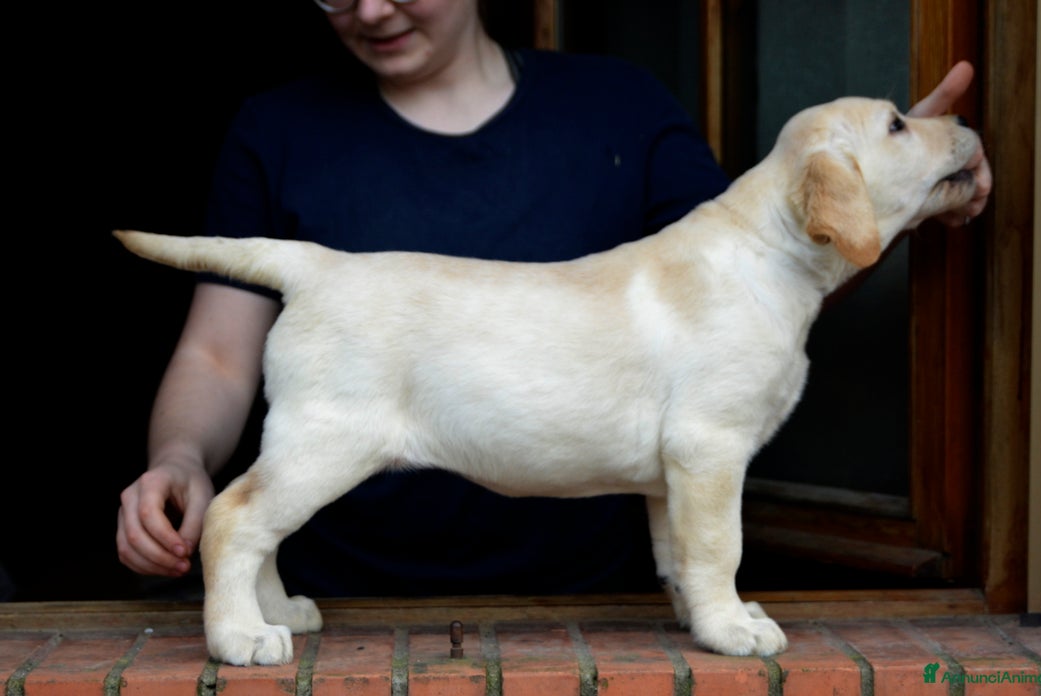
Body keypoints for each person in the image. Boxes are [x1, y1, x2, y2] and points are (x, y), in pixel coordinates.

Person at [117, 0, 991, 597]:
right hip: (350, 599)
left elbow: (765, 275)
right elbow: (218, 351)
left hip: (592, 605)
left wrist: (895, 179)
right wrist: (184, 455)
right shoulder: (276, 129)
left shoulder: (623, 105)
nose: (374, 9)